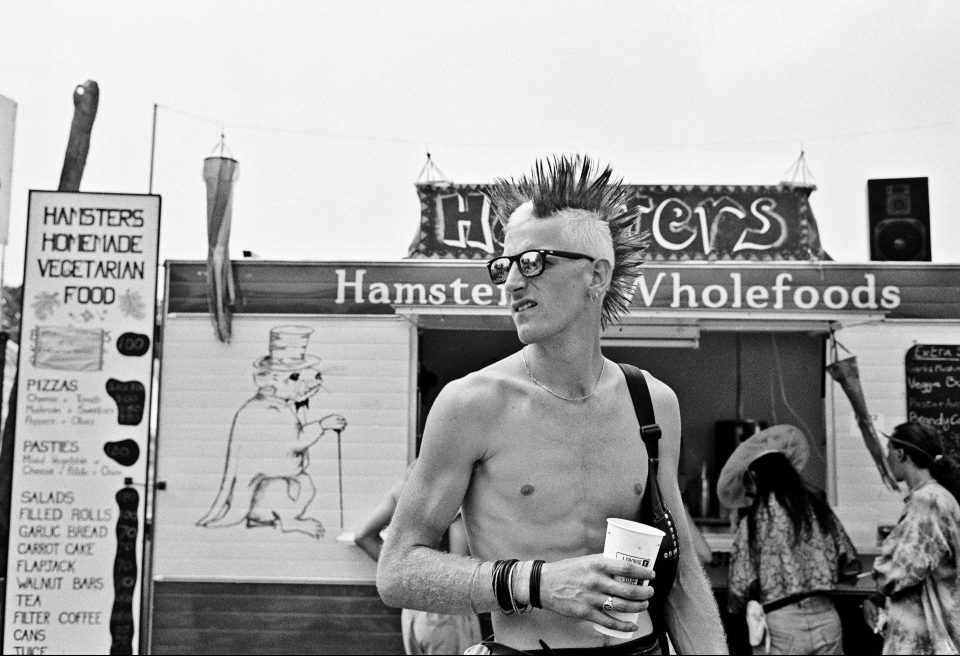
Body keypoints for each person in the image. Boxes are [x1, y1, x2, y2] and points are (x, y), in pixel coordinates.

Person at [377, 155, 727, 655]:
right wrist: (535, 582)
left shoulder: (651, 403)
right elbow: (398, 570)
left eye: (534, 262)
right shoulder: (472, 404)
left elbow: (683, 575)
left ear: (596, 275)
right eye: (504, 266)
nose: (513, 283)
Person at [718, 424, 860, 655]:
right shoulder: (817, 508)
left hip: (782, 622)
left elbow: (739, 585)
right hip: (826, 617)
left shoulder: (754, 520)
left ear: (754, 477)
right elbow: (850, 563)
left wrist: (737, 610)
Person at [355, 460, 483, 655]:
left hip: (413, 610)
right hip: (446, 613)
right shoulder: (453, 483)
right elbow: (459, 567)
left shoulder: (412, 477)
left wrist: (402, 569)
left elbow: (362, 536)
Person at [872, 420, 960, 655]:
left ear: (901, 454)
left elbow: (894, 574)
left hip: (925, 641)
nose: (887, 458)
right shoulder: (942, 497)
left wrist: (880, 570)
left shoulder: (927, 502)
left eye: (889, 451)